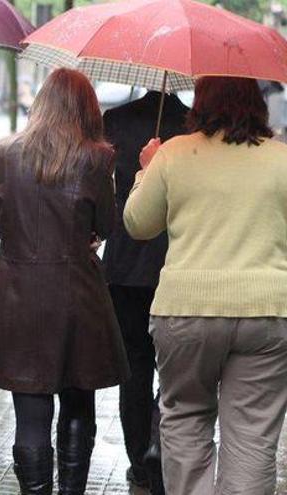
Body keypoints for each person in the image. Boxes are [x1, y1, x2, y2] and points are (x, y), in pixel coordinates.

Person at [124, 77, 287, 495]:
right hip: (267, 311)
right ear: (257, 103)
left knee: (185, 420)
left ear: (201, 101)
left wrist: (146, 171)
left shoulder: (174, 153)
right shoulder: (281, 159)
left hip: (185, 311)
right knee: (252, 435)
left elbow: (138, 224)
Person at [0, 68, 130, 494]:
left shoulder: (4, 154)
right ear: (87, 108)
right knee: (78, 402)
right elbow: (107, 225)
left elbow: (1, 225)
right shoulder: (97, 157)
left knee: (30, 413)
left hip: (19, 294)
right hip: (77, 293)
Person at [102, 90, 188, 494]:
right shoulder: (193, 126)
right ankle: (158, 440)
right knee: (174, 366)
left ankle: (139, 461)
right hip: (176, 260)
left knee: (133, 366)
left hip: (124, 261)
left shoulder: (115, 121)